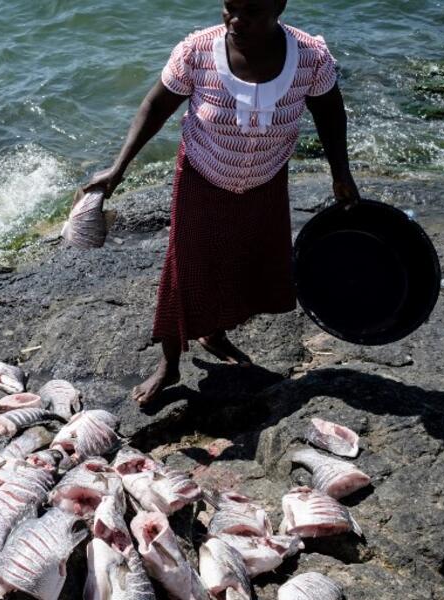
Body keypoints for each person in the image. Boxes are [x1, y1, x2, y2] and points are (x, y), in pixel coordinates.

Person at [83, 0, 360, 406]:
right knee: (185, 270)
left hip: (265, 178)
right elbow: (155, 106)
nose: (235, 20)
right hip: (202, 174)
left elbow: (330, 113)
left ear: (279, 6)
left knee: (241, 264)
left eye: (250, 11)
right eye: (229, 7)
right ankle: (170, 362)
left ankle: (214, 332)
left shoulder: (310, 57)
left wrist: (342, 173)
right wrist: (117, 168)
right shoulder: (197, 51)